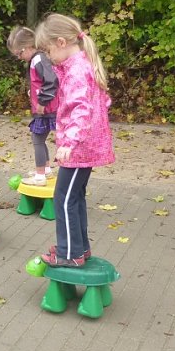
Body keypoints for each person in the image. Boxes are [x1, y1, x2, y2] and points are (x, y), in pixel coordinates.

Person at [36, 14, 115, 267]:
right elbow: (99, 102)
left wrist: (69, 142)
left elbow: (81, 109)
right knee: (75, 196)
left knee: (63, 198)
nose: (48, 57)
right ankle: (79, 247)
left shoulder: (77, 71)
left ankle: (69, 253)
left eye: (48, 50)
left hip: (79, 148)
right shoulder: (79, 64)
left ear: (61, 42)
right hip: (85, 145)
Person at [7, 25, 59, 186]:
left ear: (29, 46)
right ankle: (46, 170)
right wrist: (34, 92)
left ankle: (40, 176)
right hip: (46, 108)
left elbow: (51, 81)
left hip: (47, 110)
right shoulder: (37, 59)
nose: (19, 57)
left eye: (20, 53)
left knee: (37, 139)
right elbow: (40, 81)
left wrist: (42, 102)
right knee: (40, 138)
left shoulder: (39, 59)